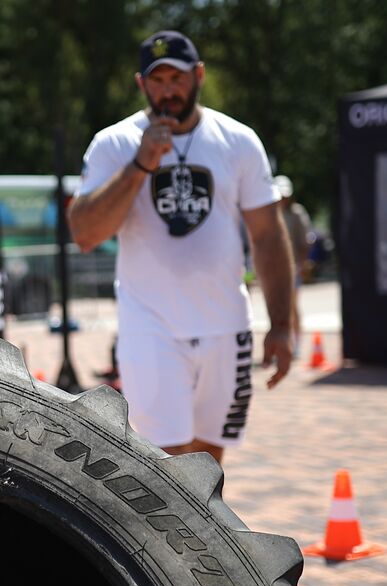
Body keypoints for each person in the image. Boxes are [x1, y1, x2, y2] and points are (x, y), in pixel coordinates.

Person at [67, 30, 294, 465]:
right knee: (165, 461)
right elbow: (85, 234)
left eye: (177, 78)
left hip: (225, 323)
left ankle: (202, 517)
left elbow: (267, 235)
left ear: (199, 76)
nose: (168, 91)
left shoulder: (238, 141)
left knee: (208, 461)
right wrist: (141, 164)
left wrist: (282, 324)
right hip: (150, 326)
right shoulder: (115, 143)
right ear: (141, 84)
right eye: (157, 80)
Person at [274, 174, 313, 354]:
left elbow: (305, 242)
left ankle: (296, 341)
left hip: (293, 266)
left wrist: (301, 265)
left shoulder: (296, 213)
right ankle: (281, 341)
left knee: (292, 305)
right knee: (277, 306)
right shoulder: (271, 213)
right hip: (275, 267)